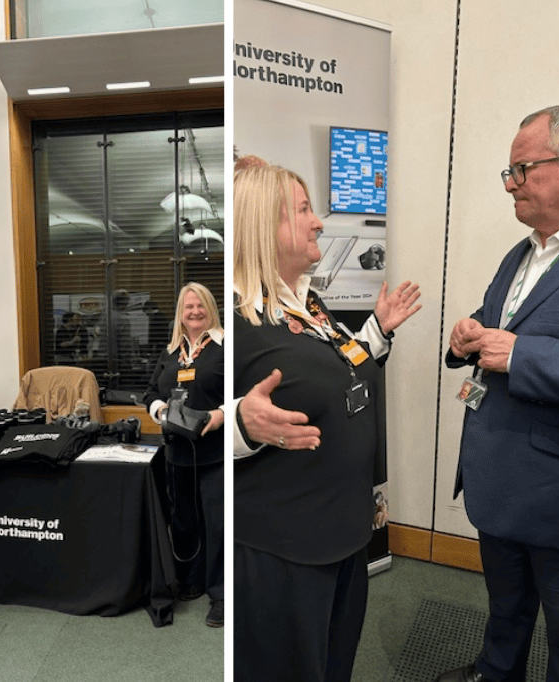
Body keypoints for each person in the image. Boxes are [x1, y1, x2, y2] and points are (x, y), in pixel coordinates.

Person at [233, 163, 421, 681]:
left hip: (343, 531)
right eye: (303, 210)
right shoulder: (236, 322)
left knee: (333, 665)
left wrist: (378, 331)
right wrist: (241, 424)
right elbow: (188, 425)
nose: (318, 222)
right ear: (262, 226)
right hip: (285, 549)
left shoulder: (307, 301)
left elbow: (338, 370)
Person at [437, 106, 559, 682]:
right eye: (508, 173)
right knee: (505, 608)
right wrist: (468, 335)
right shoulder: (522, 252)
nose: (511, 184)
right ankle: (496, 672)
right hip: (497, 480)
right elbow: (500, 323)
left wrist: (521, 355)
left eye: (522, 169)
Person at [143, 282, 225, 628]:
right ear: (180, 313)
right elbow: (150, 393)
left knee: (217, 525)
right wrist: (160, 411)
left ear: (210, 308)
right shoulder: (171, 351)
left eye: (200, 306)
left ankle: (221, 594)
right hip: (177, 453)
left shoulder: (224, 346)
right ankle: (190, 579)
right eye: (188, 307)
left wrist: (220, 414)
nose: (194, 312)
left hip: (215, 453)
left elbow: (242, 391)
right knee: (184, 521)